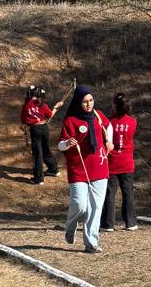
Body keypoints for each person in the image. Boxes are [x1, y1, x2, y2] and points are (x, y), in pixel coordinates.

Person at [59, 85, 112, 253]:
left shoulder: (98, 115)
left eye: (91, 101)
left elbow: (108, 127)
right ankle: (71, 224)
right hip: (78, 168)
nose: (88, 104)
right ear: (78, 102)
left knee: (96, 207)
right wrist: (67, 143)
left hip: (99, 167)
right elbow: (60, 145)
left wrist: (109, 141)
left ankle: (91, 242)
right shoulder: (70, 120)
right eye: (84, 102)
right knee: (80, 205)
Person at [102, 93, 138, 232]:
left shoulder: (108, 121)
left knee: (110, 194)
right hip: (127, 161)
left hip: (112, 162)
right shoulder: (133, 121)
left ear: (114, 106)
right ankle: (131, 222)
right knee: (128, 193)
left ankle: (108, 223)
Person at [20, 86, 64, 183]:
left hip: (35, 129)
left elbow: (24, 121)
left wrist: (24, 127)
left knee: (37, 154)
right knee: (46, 150)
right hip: (44, 128)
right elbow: (50, 115)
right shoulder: (41, 104)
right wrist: (56, 107)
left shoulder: (26, 105)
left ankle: (39, 178)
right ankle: (53, 170)